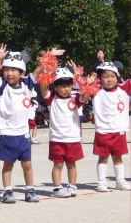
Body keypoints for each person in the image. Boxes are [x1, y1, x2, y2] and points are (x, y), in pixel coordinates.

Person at [0, 43, 43, 203]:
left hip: (24, 135)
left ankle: (30, 190)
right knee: (8, 165)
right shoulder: (2, 88)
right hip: (7, 134)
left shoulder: (27, 86)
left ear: (22, 72)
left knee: (27, 165)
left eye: (13, 70)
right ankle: (7, 191)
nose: (9, 73)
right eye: (6, 69)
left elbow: (38, 71)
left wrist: (48, 58)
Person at [82, 62, 131, 191]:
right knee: (103, 158)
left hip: (119, 131)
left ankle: (120, 181)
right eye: (105, 76)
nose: (109, 79)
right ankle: (101, 182)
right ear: (100, 79)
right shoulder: (96, 90)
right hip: (102, 131)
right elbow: (83, 98)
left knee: (118, 158)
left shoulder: (124, 89)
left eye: (112, 76)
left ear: (117, 76)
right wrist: (88, 84)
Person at [40, 64, 85, 198]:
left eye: (69, 86)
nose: (67, 89)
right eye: (63, 86)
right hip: (57, 138)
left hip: (73, 138)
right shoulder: (51, 99)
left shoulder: (75, 97)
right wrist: (46, 71)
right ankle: (57, 188)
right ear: (55, 87)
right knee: (58, 164)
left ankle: (72, 185)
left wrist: (79, 77)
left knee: (72, 164)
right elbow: (43, 88)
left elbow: (86, 95)